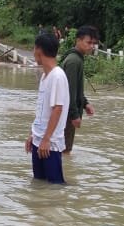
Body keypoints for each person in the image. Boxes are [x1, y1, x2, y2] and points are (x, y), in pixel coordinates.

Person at [25, 32, 70, 184]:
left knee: (55, 186)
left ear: (39, 50)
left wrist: (46, 139)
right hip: (39, 140)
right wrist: (32, 135)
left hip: (50, 143)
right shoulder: (45, 76)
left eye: (34, 48)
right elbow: (42, 110)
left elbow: (58, 109)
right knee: (39, 184)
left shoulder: (57, 76)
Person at [60, 25, 100, 154]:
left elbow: (76, 89)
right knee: (64, 150)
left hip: (66, 113)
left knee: (64, 149)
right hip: (66, 115)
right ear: (78, 40)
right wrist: (74, 115)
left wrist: (85, 103)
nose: (91, 46)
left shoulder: (76, 58)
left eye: (94, 43)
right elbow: (69, 92)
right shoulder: (74, 61)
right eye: (88, 42)